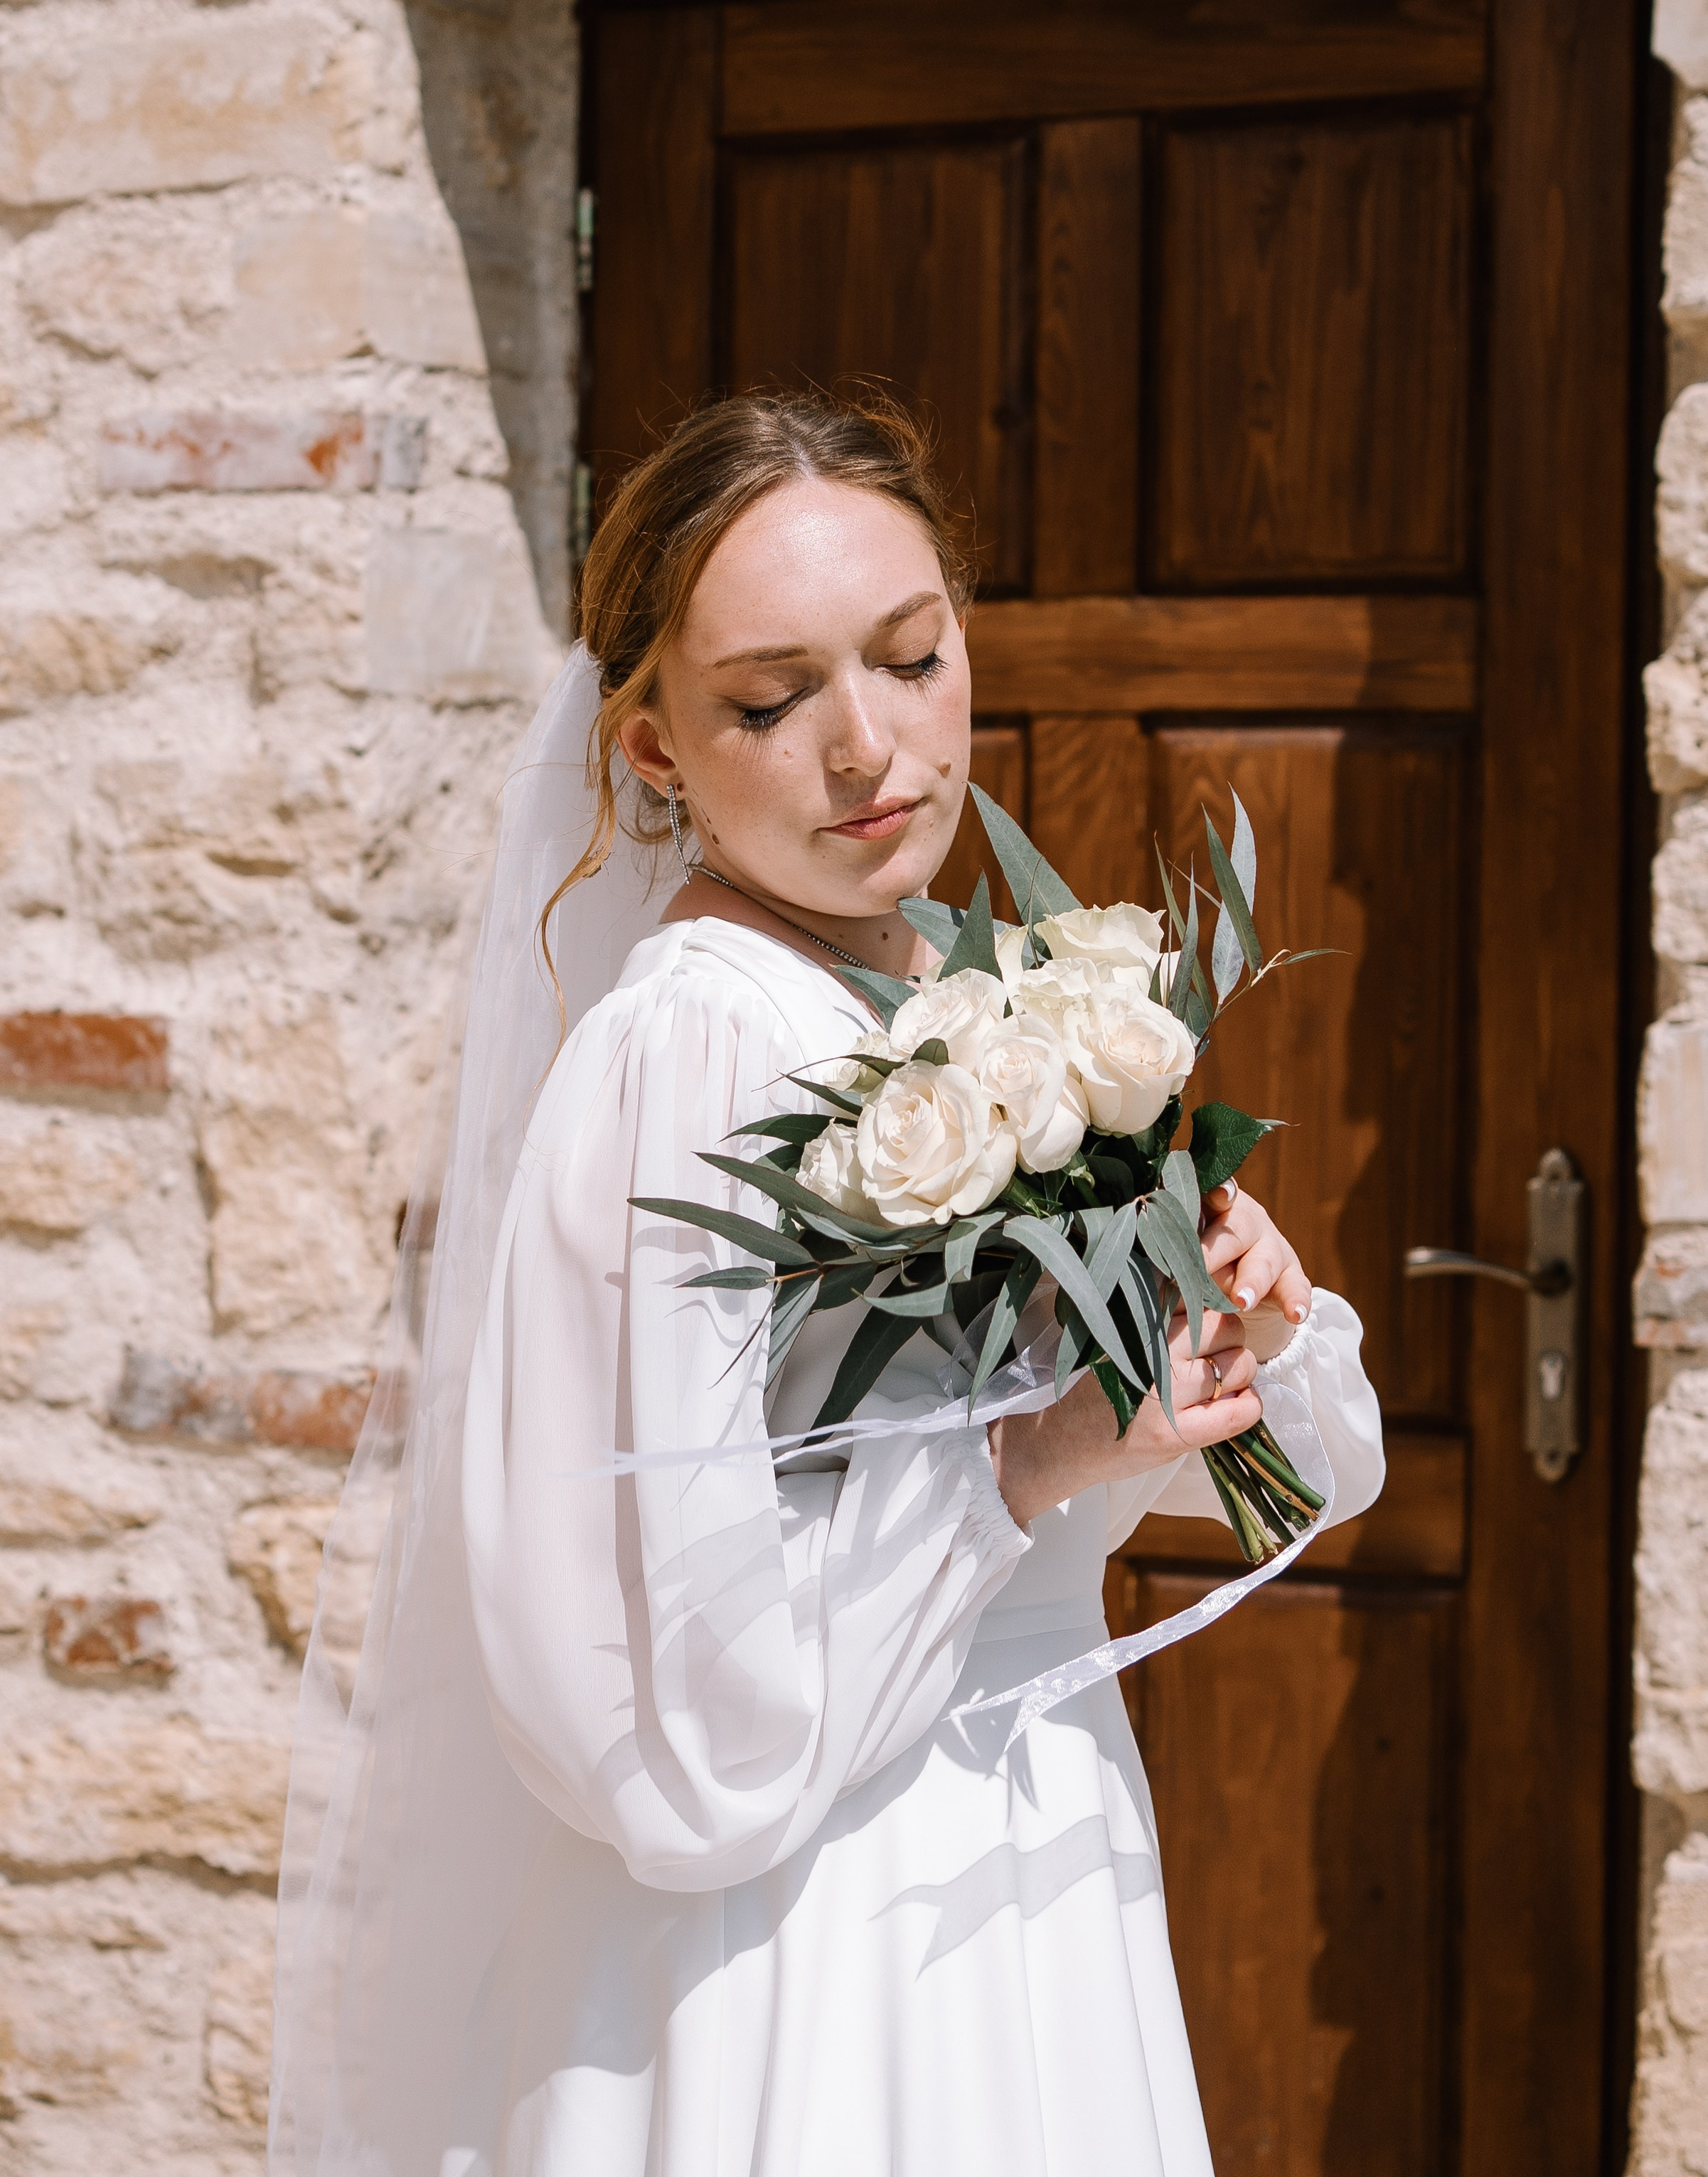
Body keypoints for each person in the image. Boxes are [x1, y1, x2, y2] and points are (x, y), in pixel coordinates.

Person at [271, 391, 1384, 2177]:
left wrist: (1206, 1323)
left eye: (914, 656)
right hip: (814, 1930)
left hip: (1023, 1837)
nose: (871, 748)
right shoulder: (697, 1042)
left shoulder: (951, 986)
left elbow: (1179, 1466)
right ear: (651, 753)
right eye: (771, 701)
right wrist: (1024, 1465)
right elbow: (664, 1679)